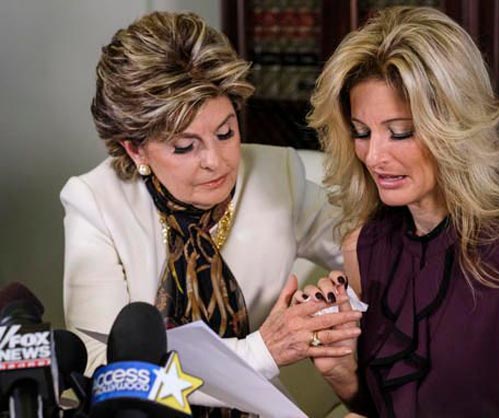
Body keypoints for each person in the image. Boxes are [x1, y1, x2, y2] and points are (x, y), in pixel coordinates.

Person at [60, 11, 362, 415]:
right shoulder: (95, 202)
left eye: (226, 132)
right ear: (136, 149)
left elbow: (373, 252)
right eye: (185, 147)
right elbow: (105, 369)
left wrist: (342, 297)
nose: (216, 161)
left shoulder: (279, 176)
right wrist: (262, 351)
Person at [301, 6, 499, 418]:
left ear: (455, 128)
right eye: (361, 132)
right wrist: (339, 369)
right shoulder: (361, 247)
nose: (374, 155)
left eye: (400, 132)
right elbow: (375, 405)